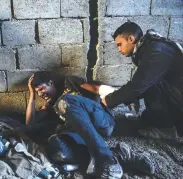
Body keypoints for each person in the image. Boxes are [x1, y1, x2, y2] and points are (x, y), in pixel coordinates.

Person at [25, 72, 154, 178]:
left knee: (65, 101)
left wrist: (127, 98)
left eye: (41, 88)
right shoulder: (50, 106)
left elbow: (97, 89)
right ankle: (118, 155)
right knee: (56, 146)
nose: (41, 94)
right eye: (38, 92)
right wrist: (31, 95)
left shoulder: (69, 82)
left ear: (51, 83)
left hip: (101, 121)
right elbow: (29, 123)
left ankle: (104, 159)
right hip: (85, 136)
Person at [100, 22, 183, 140]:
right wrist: (130, 97)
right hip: (177, 92)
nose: (118, 49)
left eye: (120, 44)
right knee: (148, 87)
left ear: (131, 39)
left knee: (151, 85)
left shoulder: (156, 51)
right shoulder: (149, 47)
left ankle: (166, 130)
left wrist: (107, 101)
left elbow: (137, 86)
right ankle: (157, 120)